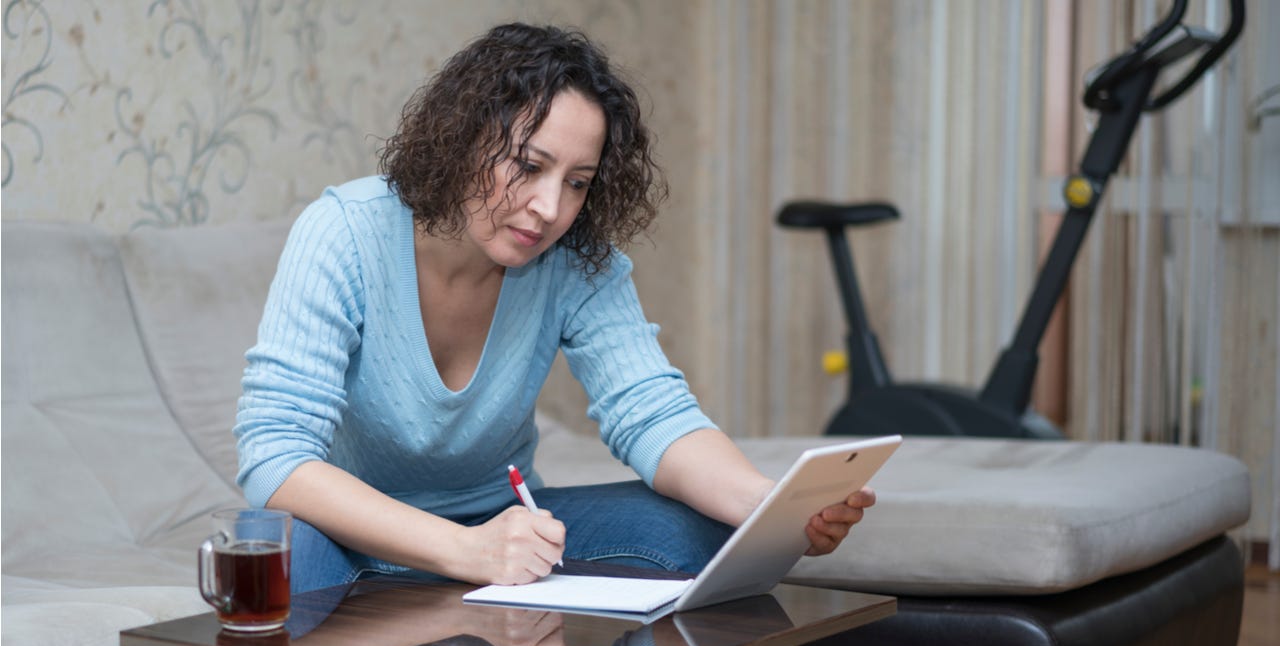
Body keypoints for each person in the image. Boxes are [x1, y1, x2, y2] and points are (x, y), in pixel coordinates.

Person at [234, 22, 875, 595]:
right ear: (459, 140)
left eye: (576, 182)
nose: (549, 208)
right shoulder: (343, 232)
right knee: (277, 552)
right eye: (528, 165)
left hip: (502, 525)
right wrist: (464, 550)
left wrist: (767, 507)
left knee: (699, 532)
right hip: (357, 534)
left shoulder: (576, 260)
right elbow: (274, 457)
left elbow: (651, 412)